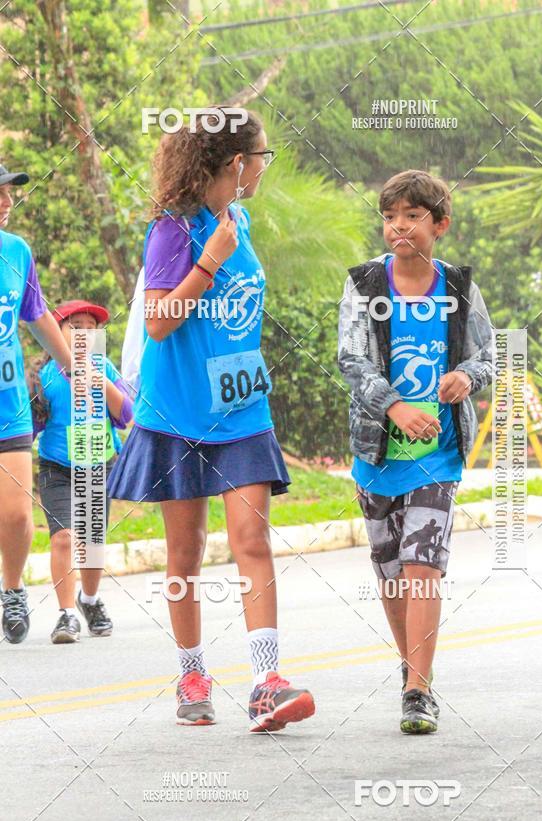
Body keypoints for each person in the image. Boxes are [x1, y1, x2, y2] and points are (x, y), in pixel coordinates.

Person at [108, 108, 315, 731]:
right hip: (179, 414)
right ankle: (192, 672)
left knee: (252, 541)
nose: (262, 167)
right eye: (262, 157)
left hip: (242, 406)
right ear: (236, 163)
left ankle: (265, 681)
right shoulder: (174, 230)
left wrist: (226, 251)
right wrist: (209, 262)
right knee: (186, 555)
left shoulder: (238, 219)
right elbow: (158, 322)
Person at [338, 169, 493, 734]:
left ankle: (417, 691)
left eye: (412, 216)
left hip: (440, 454)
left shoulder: (458, 288)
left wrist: (465, 378)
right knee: (393, 573)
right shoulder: (363, 285)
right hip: (377, 454)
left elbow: (488, 357)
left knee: (424, 566)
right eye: (390, 217)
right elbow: (352, 361)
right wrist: (395, 407)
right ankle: (412, 669)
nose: (399, 227)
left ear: (440, 225)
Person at [29, 300, 133, 644]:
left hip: (98, 466)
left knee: (91, 544)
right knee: (62, 537)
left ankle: (89, 600)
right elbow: (30, 426)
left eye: (91, 328)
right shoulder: (44, 377)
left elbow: (125, 414)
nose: (84, 334)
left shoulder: (105, 368)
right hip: (56, 469)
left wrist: (99, 380)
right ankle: (66, 615)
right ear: (55, 334)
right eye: (75, 327)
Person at [0, 163, 73, 644]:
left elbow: (37, 315)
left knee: (18, 515)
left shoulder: (16, 252)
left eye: (9, 194)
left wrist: (75, 366)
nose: (7, 202)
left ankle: (12, 587)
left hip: (8, 405)